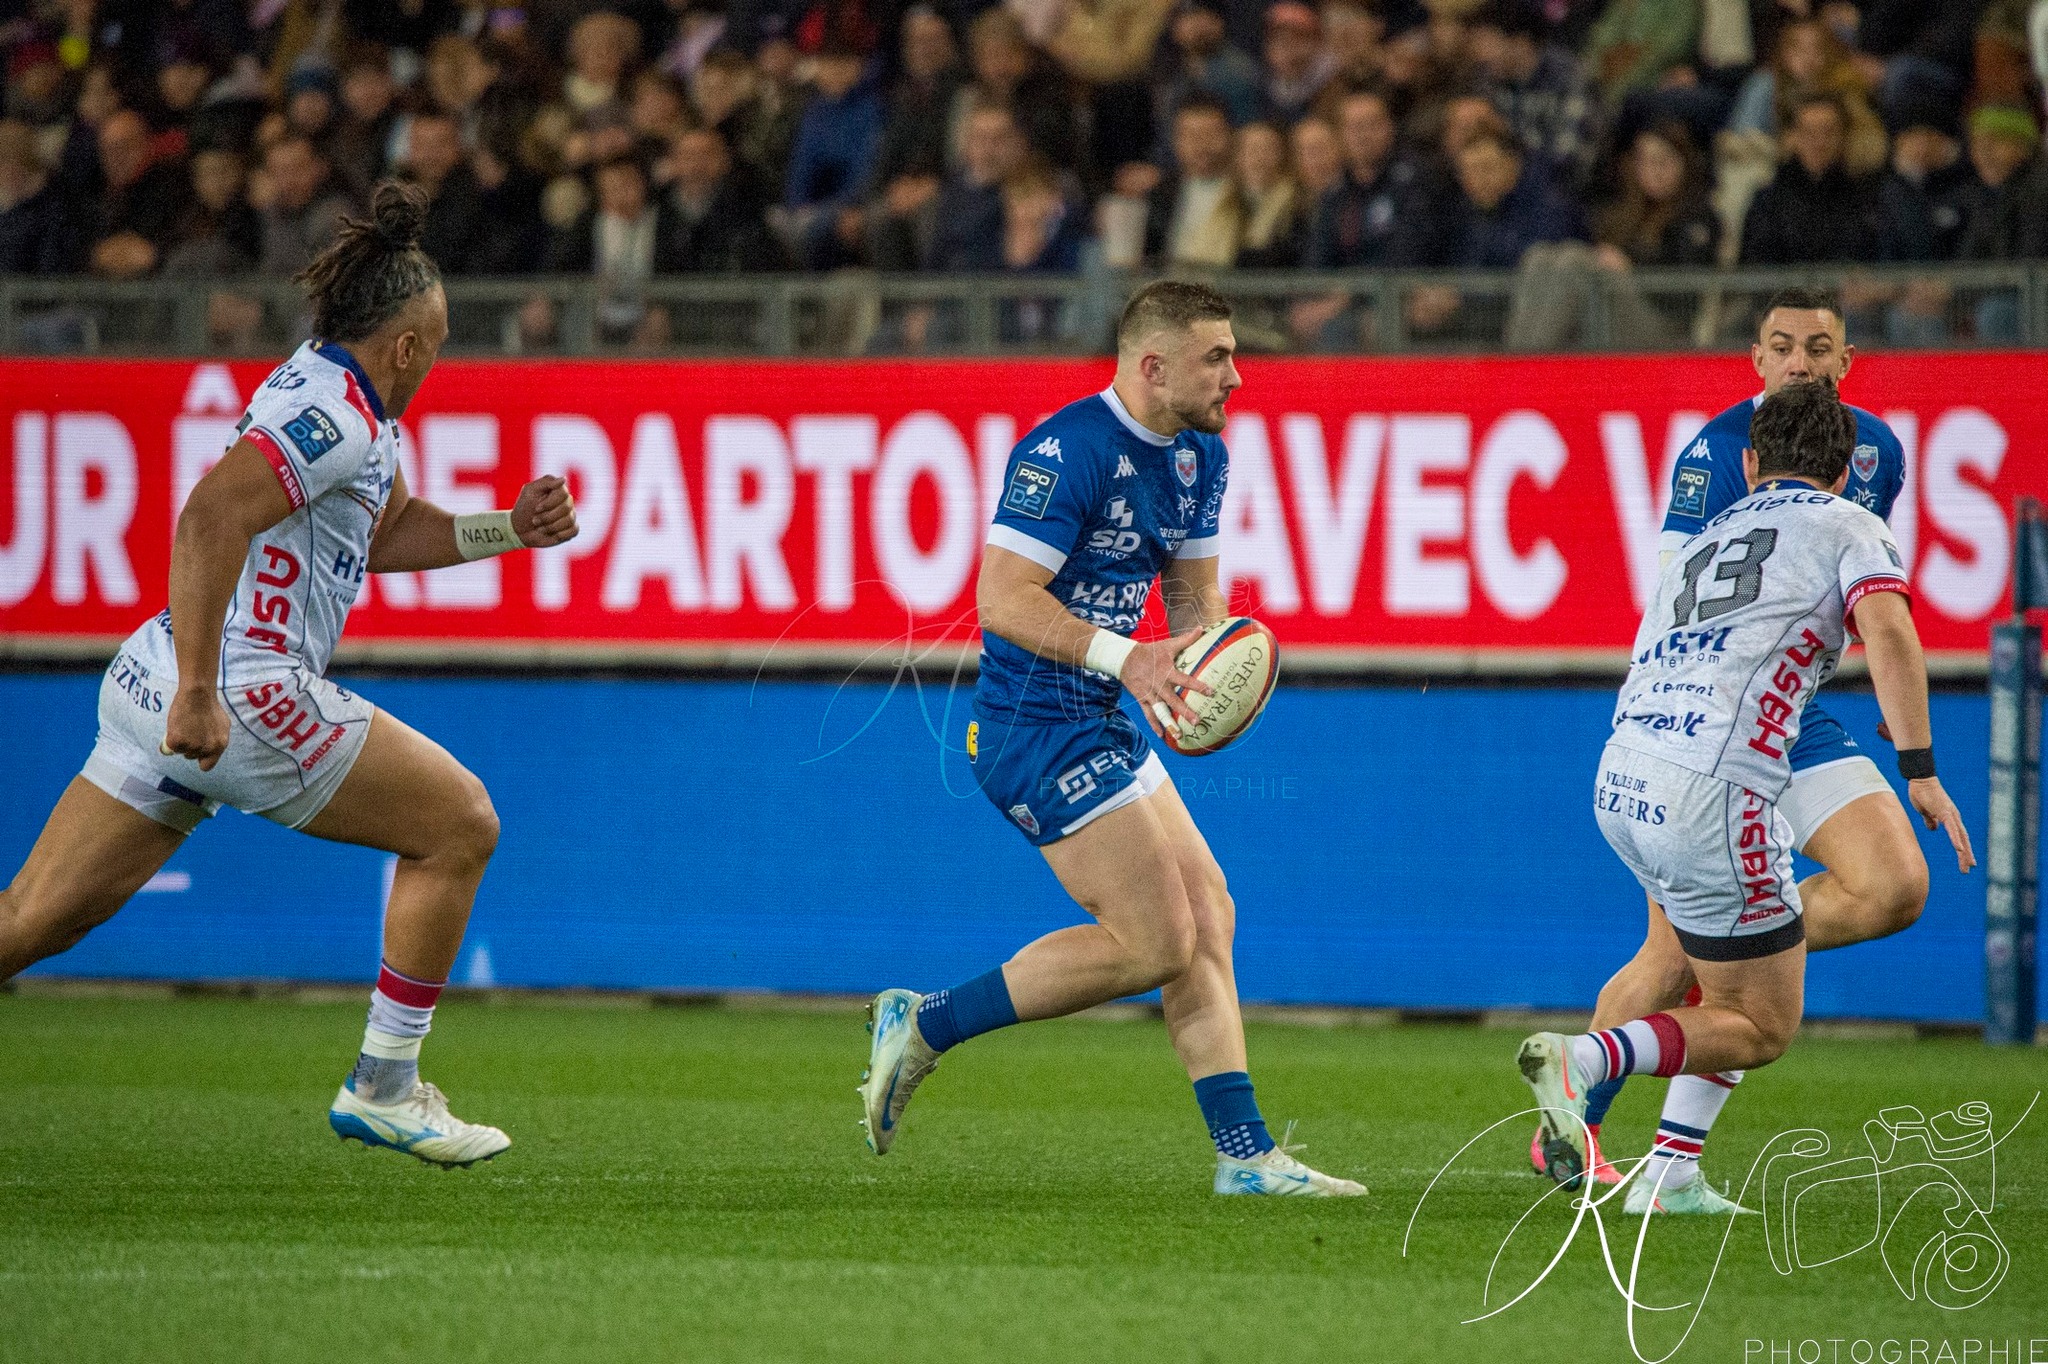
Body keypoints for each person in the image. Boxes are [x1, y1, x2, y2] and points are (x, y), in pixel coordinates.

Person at [0, 182, 579, 1168]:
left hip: (151, 675)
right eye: (433, 346)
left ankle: (388, 1084)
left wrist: (506, 531)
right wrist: (198, 689)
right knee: (459, 824)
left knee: (26, 925)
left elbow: (389, 529)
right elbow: (208, 516)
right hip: (233, 685)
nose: (433, 363)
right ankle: (385, 1084)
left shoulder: (329, 391)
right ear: (404, 345)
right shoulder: (342, 418)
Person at [858, 282, 1365, 1197]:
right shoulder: (1065, 451)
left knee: (1210, 913)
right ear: (1152, 364)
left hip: (1098, 714)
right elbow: (1003, 600)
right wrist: (1127, 658)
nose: (1237, 377)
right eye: (1217, 358)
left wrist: (1205, 669)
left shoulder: (1198, 457)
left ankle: (1247, 1160)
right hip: (1031, 726)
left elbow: (1193, 598)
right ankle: (926, 1022)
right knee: (1158, 941)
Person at [1521, 379, 1972, 1214]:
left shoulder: (1703, 535)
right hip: (1714, 790)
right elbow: (1892, 630)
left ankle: (1670, 1173)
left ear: (1753, 462)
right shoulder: (1849, 524)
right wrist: (1919, 766)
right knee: (1759, 1024)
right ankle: (1587, 1062)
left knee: (1725, 960)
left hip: (1623, 776)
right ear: (1844, 472)